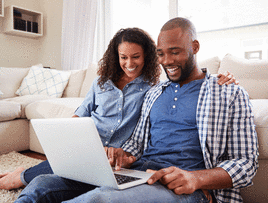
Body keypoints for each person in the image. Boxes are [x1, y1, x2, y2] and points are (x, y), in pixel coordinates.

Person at [13, 17, 257, 203]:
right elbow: (137, 142)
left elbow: (246, 163)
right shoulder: (154, 93)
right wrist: (123, 155)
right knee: (42, 184)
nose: (167, 61)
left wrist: (196, 178)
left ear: (194, 46)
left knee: (101, 199)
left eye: (175, 51)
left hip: (185, 186)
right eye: (161, 54)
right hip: (139, 172)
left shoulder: (229, 92)